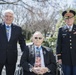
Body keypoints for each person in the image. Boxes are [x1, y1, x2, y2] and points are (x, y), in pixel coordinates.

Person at [0, 9, 26, 75]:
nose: (8, 18)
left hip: (12, 57)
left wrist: (25, 52)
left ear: (13, 18)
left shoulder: (18, 29)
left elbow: (22, 41)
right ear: (3, 17)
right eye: (6, 16)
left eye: (10, 16)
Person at [56, 10, 76, 75]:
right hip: (65, 59)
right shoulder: (61, 30)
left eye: (70, 18)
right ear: (64, 20)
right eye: (67, 18)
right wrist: (59, 58)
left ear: (74, 18)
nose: (69, 20)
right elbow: (58, 44)